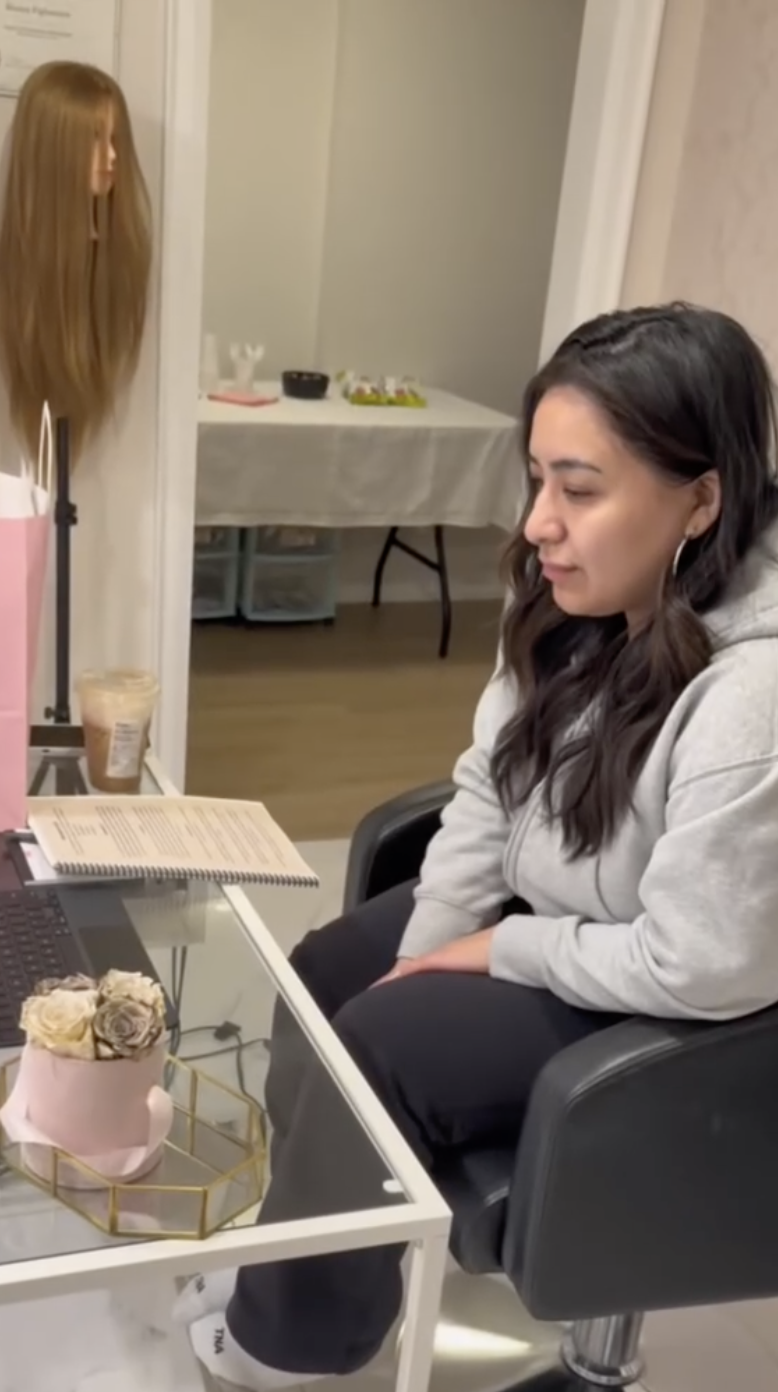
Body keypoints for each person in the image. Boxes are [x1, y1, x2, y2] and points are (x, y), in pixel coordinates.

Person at [177, 304, 778, 1389]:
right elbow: (487, 795)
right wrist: (428, 947)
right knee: (320, 976)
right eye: (536, 479)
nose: (539, 524)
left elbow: (704, 963)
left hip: (665, 990)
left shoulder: (751, 697)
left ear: (700, 500)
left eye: (578, 490)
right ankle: (301, 1253)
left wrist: (497, 951)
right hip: (563, 914)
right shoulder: (572, 594)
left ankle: (293, 1346)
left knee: (380, 1044)